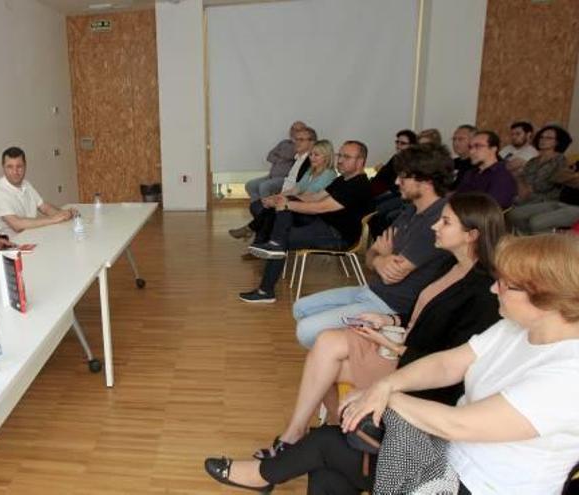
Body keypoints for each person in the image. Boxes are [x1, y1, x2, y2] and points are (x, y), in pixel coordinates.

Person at [204, 234, 579, 495]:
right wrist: (386, 386)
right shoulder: (515, 329)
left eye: (507, 285)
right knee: (332, 458)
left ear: (546, 297)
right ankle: (265, 474)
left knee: (329, 447)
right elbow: (449, 364)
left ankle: (263, 475)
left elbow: (460, 423)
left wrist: (385, 396)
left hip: (475, 486)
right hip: (444, 455)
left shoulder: (568, 375)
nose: (494, 288)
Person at [252, 193, 504, 461]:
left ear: (471, 234)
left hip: (420, 367)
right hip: (404, 343)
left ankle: (307, 434)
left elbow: (450, 361)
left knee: (322, 363)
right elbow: (427, 315)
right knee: (323, 342)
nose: (435, 227)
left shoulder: (484, 290)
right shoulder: (449, 265)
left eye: (445, 222)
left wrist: (392, 344)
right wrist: (390, 321)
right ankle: (319, 432)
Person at [291, 144, 453, 347]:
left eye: (403, 177)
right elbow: (372, 253)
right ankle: (338, 354)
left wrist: (381, 258)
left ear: (426, 181)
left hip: (390, 305)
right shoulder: (412, 210)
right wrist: (380, 258)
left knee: (306, 330)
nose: (396, 182)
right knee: (300, 308)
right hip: (372, 290)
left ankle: (340, 357)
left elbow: (392, 272)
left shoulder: (438, 221)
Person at [237, 140, 373, 303]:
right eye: (340, 155)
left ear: (360, 161)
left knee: (281, 239)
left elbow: (321, 207)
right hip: (323, 225)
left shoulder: (359, 185)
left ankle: (266, 288)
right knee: (283, 223)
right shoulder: (343, 179)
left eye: (347, 157)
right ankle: (271, 250)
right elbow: (314, 197)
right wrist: (283, 198)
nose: (340, 160)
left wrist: (286, 203)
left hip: (337, 236)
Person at [241, 139, 338, 247]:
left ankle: (256, 235)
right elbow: (296, 189)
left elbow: (308, 196)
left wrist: (278, 200)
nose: (312, 158)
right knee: (270, 207)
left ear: (326, 156)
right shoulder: (310, 171)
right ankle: (260, 242)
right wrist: (276, 196)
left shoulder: (329, 174)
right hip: (299, 204)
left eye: (316, 155)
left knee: (274, 208)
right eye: (311, 154)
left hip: (311, 212)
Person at [230, 127, 317, 240]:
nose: (296, 142)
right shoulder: (298, 157)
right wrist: (277, 196)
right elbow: (270, 156)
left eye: (301, 140)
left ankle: (254, 235)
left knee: (264, 206)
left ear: (312, 142)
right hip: (286, 193)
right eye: (296, 139)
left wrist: (279, 197)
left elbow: (301, 189)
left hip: (294, 199)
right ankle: (258, 239)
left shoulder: (310, 162)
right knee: (257, 204)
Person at [0, 146, 78, 238]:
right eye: (10, 167)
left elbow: (44, 207)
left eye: (19, 166)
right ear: (3, 168)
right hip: (12, 246)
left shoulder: (26, 184)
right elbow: (17, 225)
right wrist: (53, 219)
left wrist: (63, 214)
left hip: (32, 237)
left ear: (25, 166)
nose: (15, 172)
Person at [508, 156, 579, 234]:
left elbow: (569, 179)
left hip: (576, 209)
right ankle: (528, 238)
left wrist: (571, 177)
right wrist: (573, 178)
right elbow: (557, 177)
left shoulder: (561, 159)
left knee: (536, 223)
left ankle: (546, 240)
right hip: (559, 202)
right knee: (515, 214)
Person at [368, 130, 418, 239]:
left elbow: (394, 186)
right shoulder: (396, 158)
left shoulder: (413, 162)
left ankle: (381, 242)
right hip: (382, 191)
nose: (398, 146)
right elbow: (382, 177)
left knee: (376, 211)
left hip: (396, 195)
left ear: (412, 145)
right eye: (397, 142)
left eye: (403, 143)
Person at [243, 121, 308, 202]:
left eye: (298, 130)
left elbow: (290, 156)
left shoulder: (302, 145)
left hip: (284, 178)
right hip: (271, 176)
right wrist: (280, 159)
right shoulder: (284, 143)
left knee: (264, 186)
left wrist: (280, 155)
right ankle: (258, 208)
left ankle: (267, 211)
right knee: (250, 185)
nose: (293, 131)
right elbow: (269, 156)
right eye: (292, 129)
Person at [511, 124, 573, 206]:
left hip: (545, 202)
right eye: (541, 137)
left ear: (557, 142)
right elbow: (522, 181)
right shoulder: (532, 161)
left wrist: (523, 184)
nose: (543, 140)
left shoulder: (560, 160)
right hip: (524, 198)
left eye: (548, 138)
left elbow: (543, 185)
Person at [454, 130, 517, 208]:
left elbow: (492, 208)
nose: (472, 151)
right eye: (470, 147)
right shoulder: (470, 173)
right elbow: (457, 198)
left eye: (478, 146)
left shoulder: (502, 174)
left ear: (493, 149)